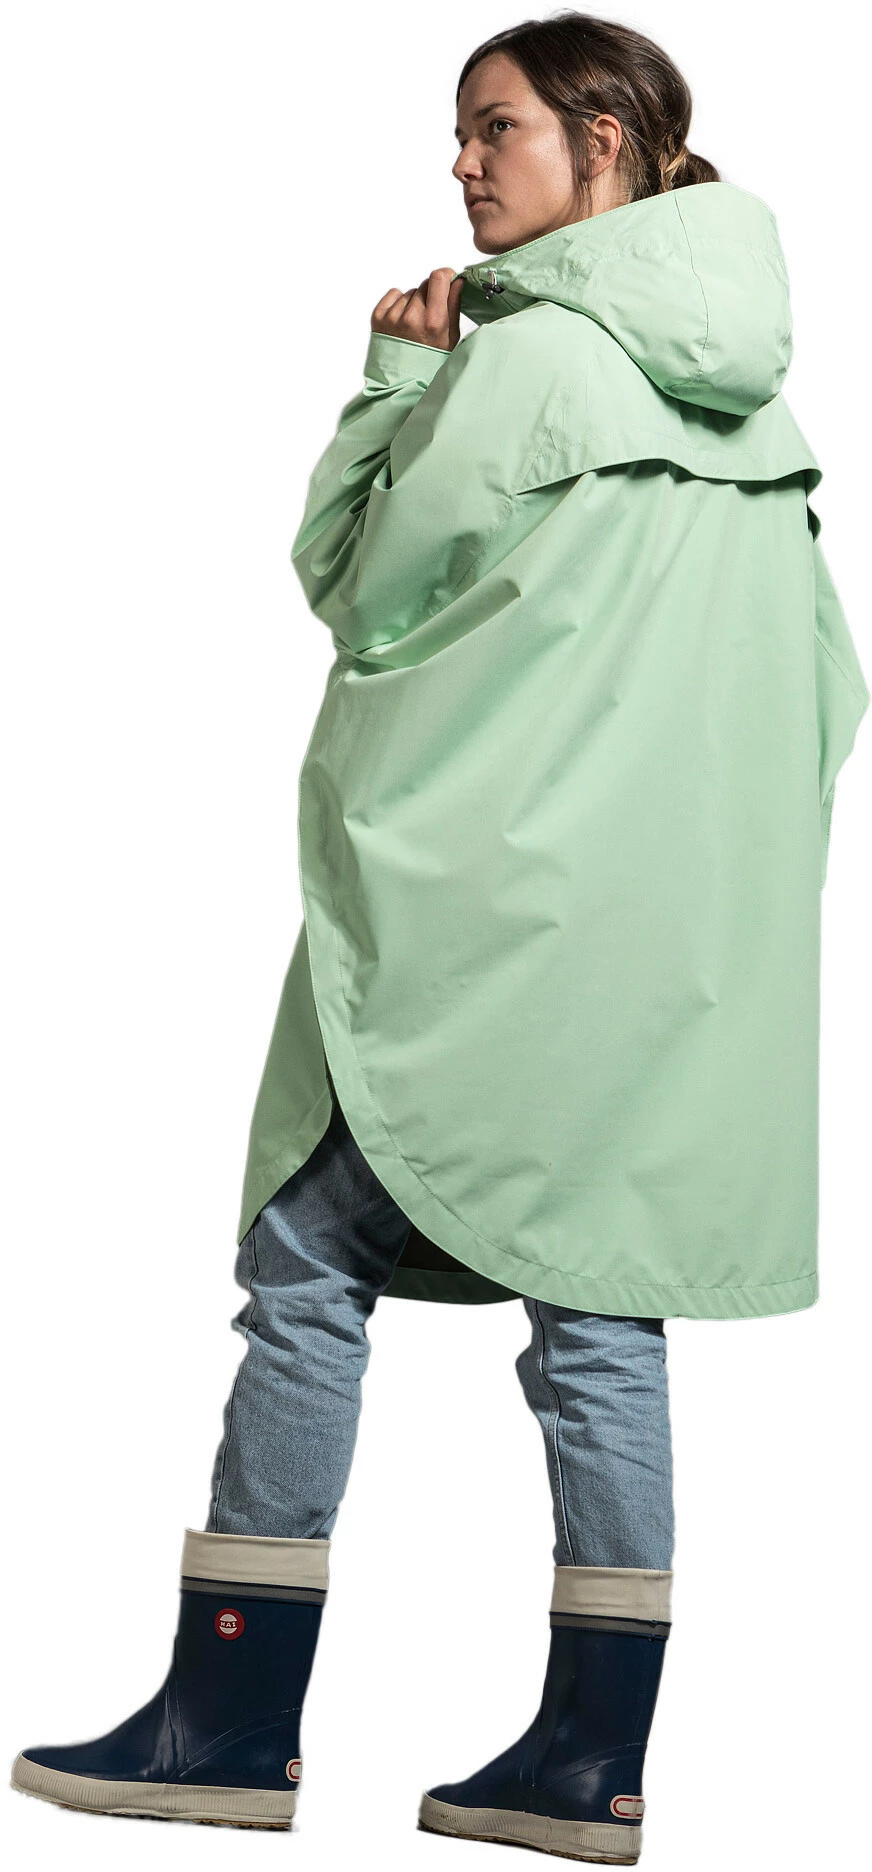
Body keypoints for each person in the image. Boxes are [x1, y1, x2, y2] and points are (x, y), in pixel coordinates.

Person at [11, 10, 869, 1863]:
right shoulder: (771, 415)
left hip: (490, 939)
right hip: (665, 969)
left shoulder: (529, 356)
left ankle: (228, 1725)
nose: (463, 165)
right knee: (600, 1307)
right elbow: (823, 687)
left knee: (304, 1260)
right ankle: (592, 1769)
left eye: (497, 128)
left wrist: (395, 385)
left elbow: (360, 589)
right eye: (459, 135)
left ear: (609, 141)